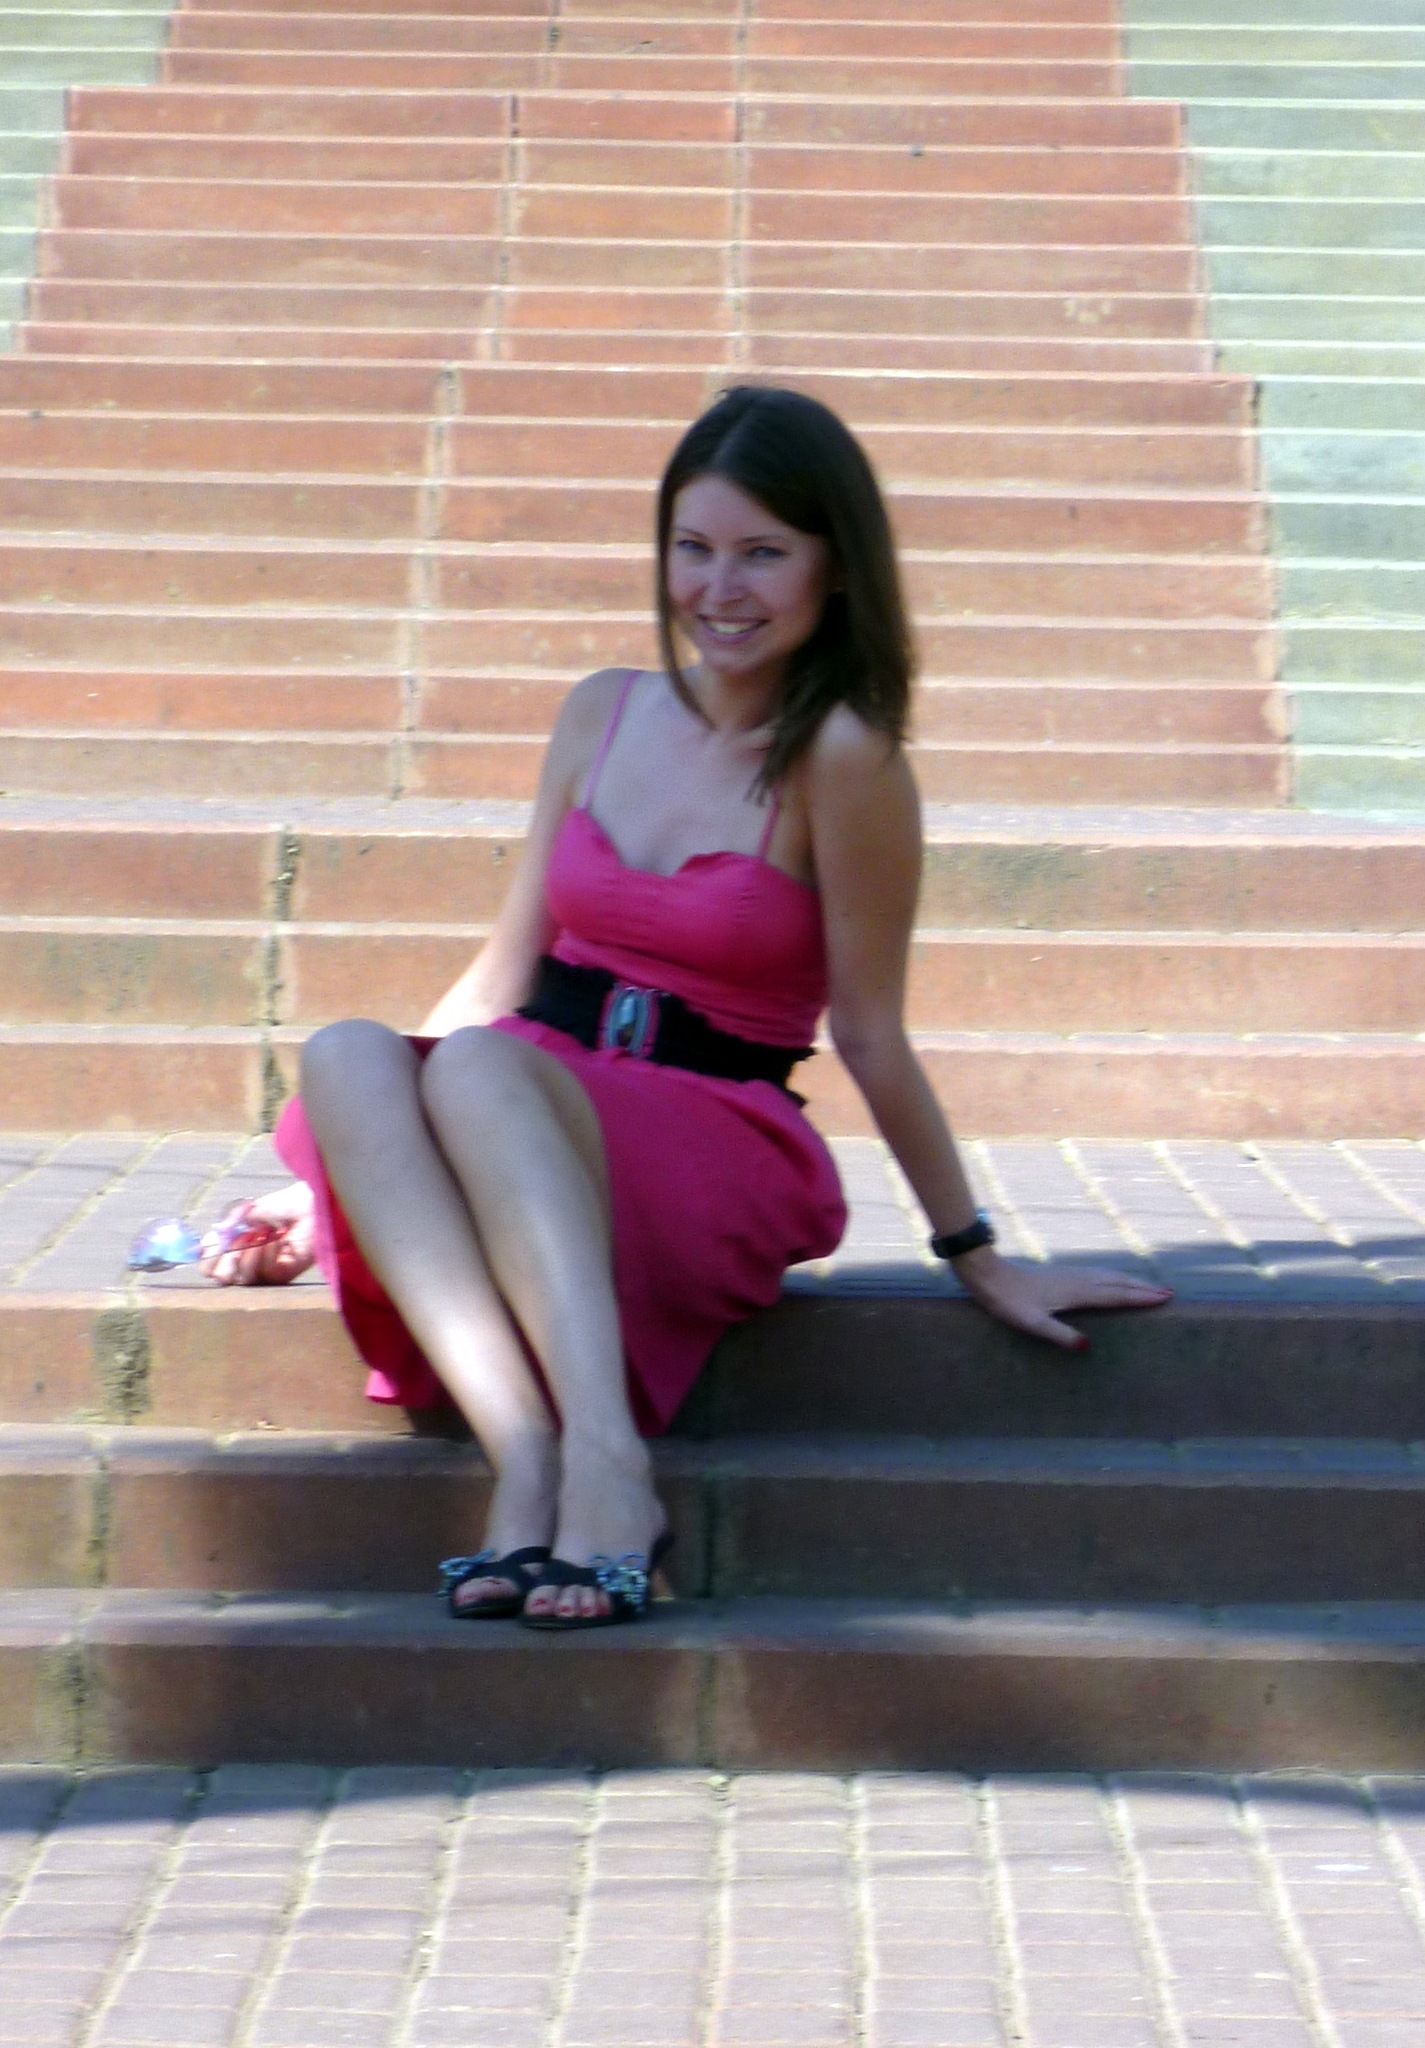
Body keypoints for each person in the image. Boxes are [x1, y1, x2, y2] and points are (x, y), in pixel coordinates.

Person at [208, 386, 1171, 1628]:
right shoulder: (599, 710)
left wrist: (972, 1252)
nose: (721, 587)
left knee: (478, 1068)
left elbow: (870, 1030)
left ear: (835, 568)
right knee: (350, 1052)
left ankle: (610, 1463)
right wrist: (353, 1170)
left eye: (764, 552)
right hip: (531, 1093)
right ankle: (529, 1459)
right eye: (694, 547)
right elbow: (504, 970)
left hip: (711, 1129)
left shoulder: (845, 756)